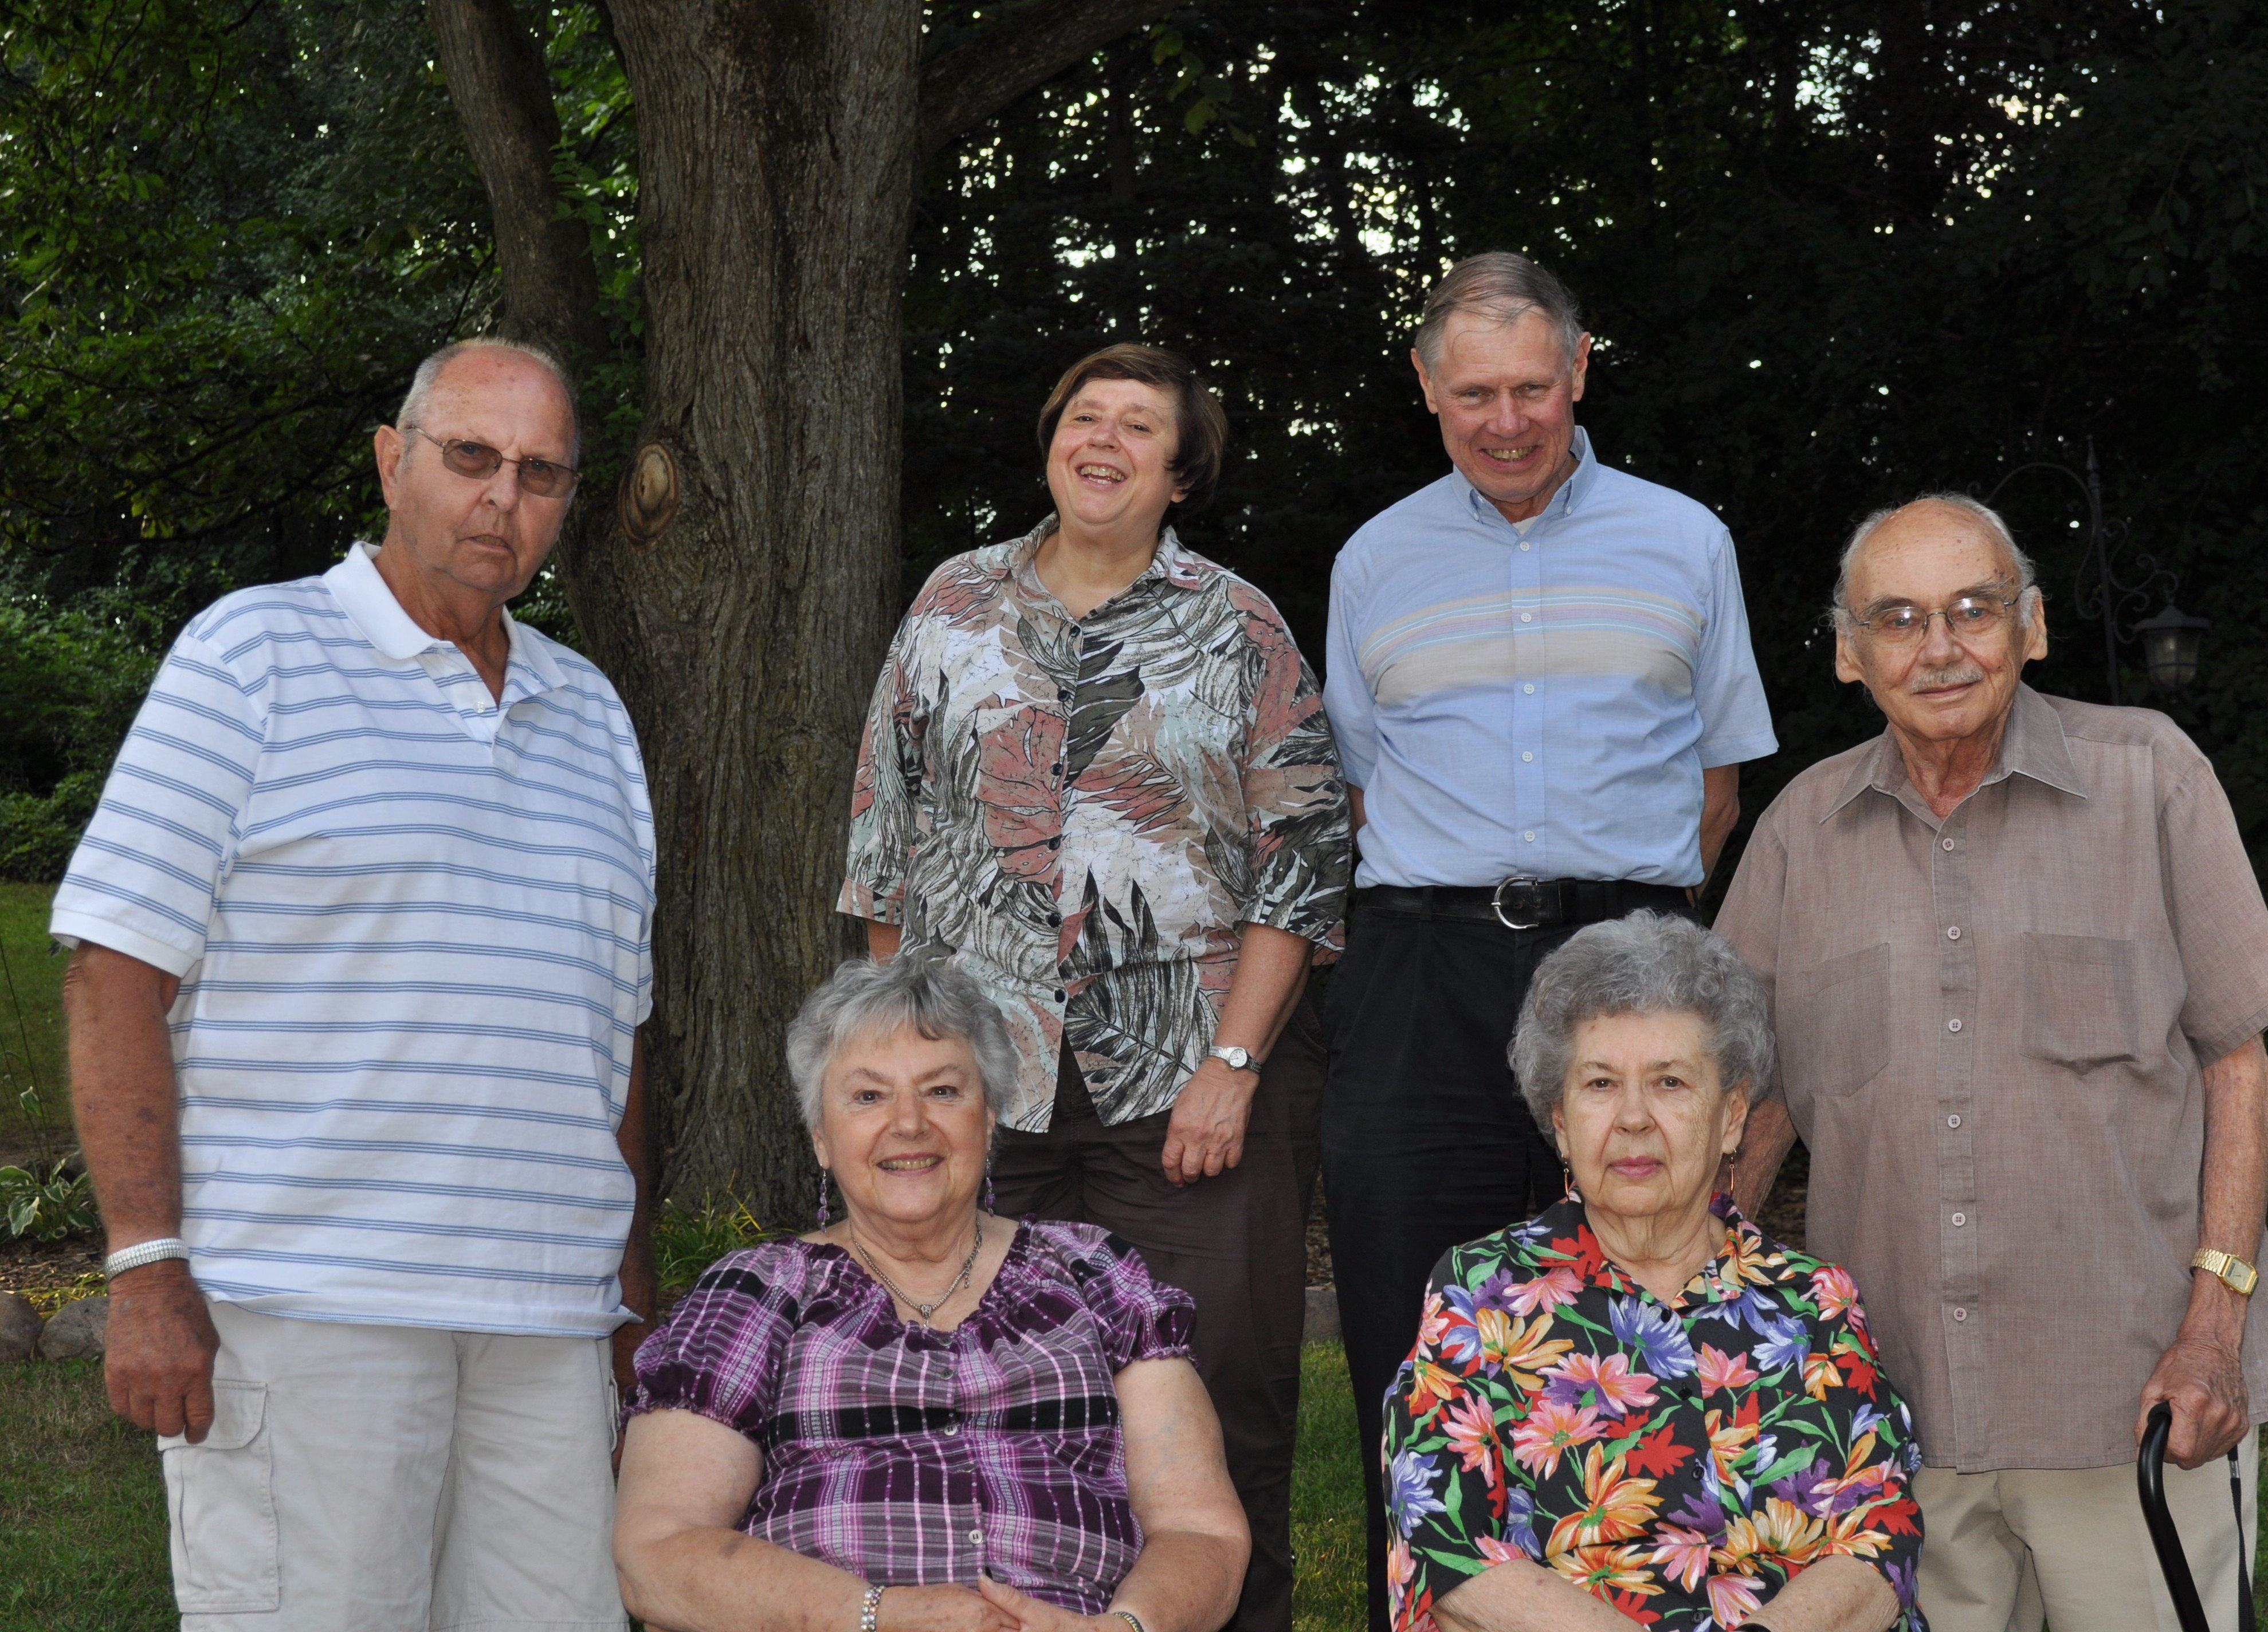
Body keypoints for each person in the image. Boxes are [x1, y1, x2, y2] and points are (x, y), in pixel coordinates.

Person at [52, 336, 657, 1627]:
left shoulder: (594, 712)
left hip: (547, 1326)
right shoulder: (250, 655)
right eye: (471, 455)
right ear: (393, 462)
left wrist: (624, 1301)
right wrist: (146, 1268)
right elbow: (114, 968)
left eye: (540, 472)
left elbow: (612, 1034)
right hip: (308, 1306)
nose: (501, 496)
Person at [1714, 494, 2268, 1632]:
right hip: (1885, 1422)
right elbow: (1750, 1102)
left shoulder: (2151, 777)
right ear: (1846, 652)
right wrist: (1695, 1315)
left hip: (2134, 1404)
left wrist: (2211, 1331)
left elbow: (2237, 1069)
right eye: (1896, 618)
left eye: (1971, 608)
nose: (1938, 646)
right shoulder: (1797, 830)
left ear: (2030, 626)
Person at [838, 343, 1349, 1632]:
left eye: (1138, 426)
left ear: (1181, 474)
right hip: (976, 1089)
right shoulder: (950, 603)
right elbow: (884, 841)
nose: (1103, 440)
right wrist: (891, 1075)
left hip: (1188, 1092)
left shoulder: (1237, 623)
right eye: (1085, 415)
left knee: (1216, 1411)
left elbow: (1303, 858)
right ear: (1050, 439)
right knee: (983, 1406)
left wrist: (1232, 1065)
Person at [1320, 250, 1780, 1623]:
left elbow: (1715, 789)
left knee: (1647, 1321)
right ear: (1424, 389)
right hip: (1422, 977)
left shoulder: (1686, 539)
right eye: (1473, 394)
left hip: (1629, 968)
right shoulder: (1371, 559)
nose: (1505, 419)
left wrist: (1623, 937)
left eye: (1530, 386)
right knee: (1411, 1338)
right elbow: (1362, 786)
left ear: (1579, 368)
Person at [615, 955, 1250, 1632]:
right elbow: (658, 1551)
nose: (910, 1123)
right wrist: (880, 1615)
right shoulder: (757, 1293)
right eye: (869, 1096)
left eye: (942, 1090)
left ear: (990, 1117)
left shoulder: (1093, 1272)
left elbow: (1201, 1528)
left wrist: (1124, 1628)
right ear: (821, 1138)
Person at [1383, 911, 1924, 1632]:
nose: (1633, 1118)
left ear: (1732, 1116)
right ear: (1561, 1121)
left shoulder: (1814, 1302)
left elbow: (1881, 1534)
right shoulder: (1479, 1296)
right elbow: (1443, 1543)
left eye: (1669, 1082)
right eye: (1601, 1084)